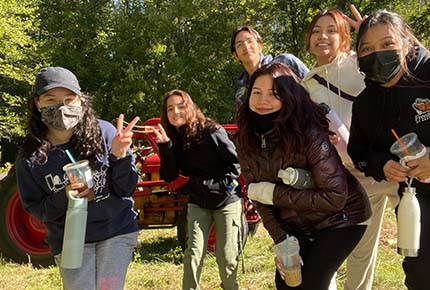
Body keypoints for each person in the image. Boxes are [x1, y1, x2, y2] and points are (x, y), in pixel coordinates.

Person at [235, 62, 371, 290]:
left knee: (312, 283)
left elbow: (334, 197)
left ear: (289, 97)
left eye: (273, 94)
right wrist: (282, 241)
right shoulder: (245, 140)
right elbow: (259, 196)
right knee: (287, 283)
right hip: (299, 225)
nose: (262, 100)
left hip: (343, 218)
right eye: (256, 93)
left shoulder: (309, 134)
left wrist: (275, 193)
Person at [15, 66, 140, 290]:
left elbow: (126, 189)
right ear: (37, 103)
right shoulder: (29, 157)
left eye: (69, 98)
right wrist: (64, 196)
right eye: (50, 99)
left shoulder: (106, 133)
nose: (61, 107)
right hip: (69, 240)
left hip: (116, 230)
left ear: (81, 101)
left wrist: (120, 157)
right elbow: (36, 208)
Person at [301, 8, 398, 290]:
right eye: (317, 30)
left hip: (392, 164)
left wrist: (373, 30)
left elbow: (407, 61)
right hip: (354, 176)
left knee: (418, 242)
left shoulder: (360, 62)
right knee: (360, 250)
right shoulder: (306, 85)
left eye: (332, 29)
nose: (323, 36)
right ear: (308, 40)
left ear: (344, 37)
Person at [348, 10, 430, 290]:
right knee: (421, 271)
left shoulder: (428, 73)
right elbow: (358, 151)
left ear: (405, 43)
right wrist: (381, 165)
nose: (378, 54)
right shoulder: (365, 104)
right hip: (417, 199)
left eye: (387, 44)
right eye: (367, 48)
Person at [151, 89, 243, 290]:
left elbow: (236, 166)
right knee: (192, 253)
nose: (176, 111)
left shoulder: (211, 131)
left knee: (226, 256)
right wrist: (165, 147)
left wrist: (220, 187)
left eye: (180, 106)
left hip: (226, 200)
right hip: (197, 202)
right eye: (170, 108)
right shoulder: (173, 138)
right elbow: (170, 176)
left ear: (190, 107)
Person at [230, 25, 309, 108]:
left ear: (260, 46)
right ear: (235, 55)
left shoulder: (286, 62)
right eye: (239, 44)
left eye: (250, 41)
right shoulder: (242, 91)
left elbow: (315, 87)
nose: (246, 46)